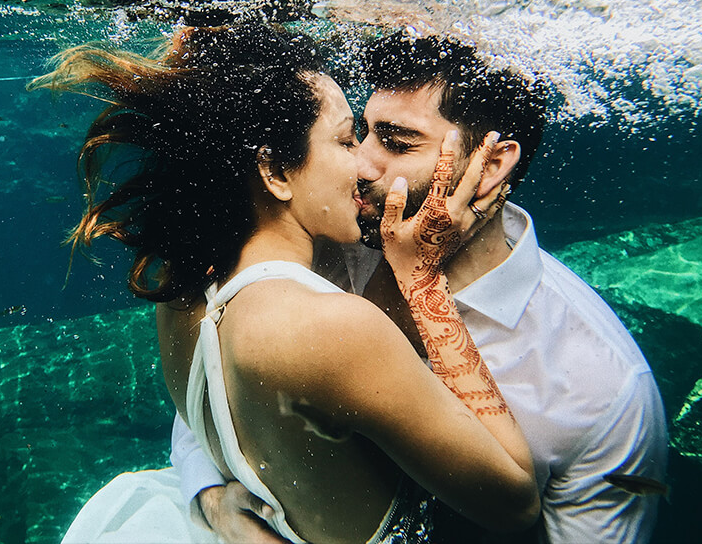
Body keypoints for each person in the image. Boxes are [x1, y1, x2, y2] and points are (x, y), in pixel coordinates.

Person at [37, 22, 540, 543]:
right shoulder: (330, 328)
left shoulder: (180, 283)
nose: (365, 165)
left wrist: (207, 496)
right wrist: (421, 279)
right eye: (346, 140)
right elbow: (517, 503)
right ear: (276, 171)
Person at [172, 32, 669, 543]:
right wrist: (211, 498)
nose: (361, 165)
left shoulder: (605, 390)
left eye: (396, 141)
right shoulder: (328, 237)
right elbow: (225, 380)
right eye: (358, 135)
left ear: (491, 165)